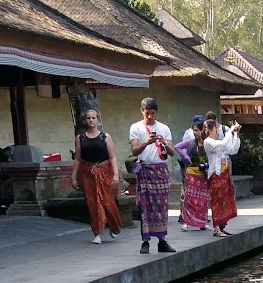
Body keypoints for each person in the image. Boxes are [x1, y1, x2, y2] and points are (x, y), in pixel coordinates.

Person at [128, 98, 176, 254]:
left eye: (152, 113)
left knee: (161, 206)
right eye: (147, 113)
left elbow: (172, 152)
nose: (150, 116)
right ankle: (145, 241)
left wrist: (164, 143)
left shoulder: (164, 128)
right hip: (145, 170)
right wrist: (146, 142)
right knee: (145, 206)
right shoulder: (136, 127)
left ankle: (162, 240)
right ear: (141, 111)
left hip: (160, 170)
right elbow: (134, 150)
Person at [69, 107, 121, 244]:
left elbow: (113, 157)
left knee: (107, 201)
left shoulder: (105, 137)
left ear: (98, 120)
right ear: (85, 120)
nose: (91, 120)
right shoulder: (80, 138)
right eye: (88, 118)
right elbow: (78, 159)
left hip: (104, 171)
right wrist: (73, 176)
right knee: (93, 203)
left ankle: (114, 225)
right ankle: (98, 233)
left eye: (93, 118)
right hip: (88, 173)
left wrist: (116, 174)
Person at [203, 114, 241, 236]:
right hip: (216, 174)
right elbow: (223, 145)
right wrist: (230, 131)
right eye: (216, 128)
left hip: (224, 173)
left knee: (225, 200)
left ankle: (222, 226)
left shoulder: (219, 142)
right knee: (217, 201)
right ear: (210, 130)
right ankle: (216, 228)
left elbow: (233, 150)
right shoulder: (208, 142)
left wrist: (236, 134)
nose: (217, 131)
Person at [177, 119, 210, 231]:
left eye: (197, 130)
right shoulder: (191, 142)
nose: (195, 133)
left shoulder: (207, 142)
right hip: (191, 172)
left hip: (203, 173)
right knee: (189, 198)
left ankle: (202, 221)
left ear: (202, 130)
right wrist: (186, 156)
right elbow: (177, 147)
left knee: (203, 199)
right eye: (194, 130)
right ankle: (186, 222)